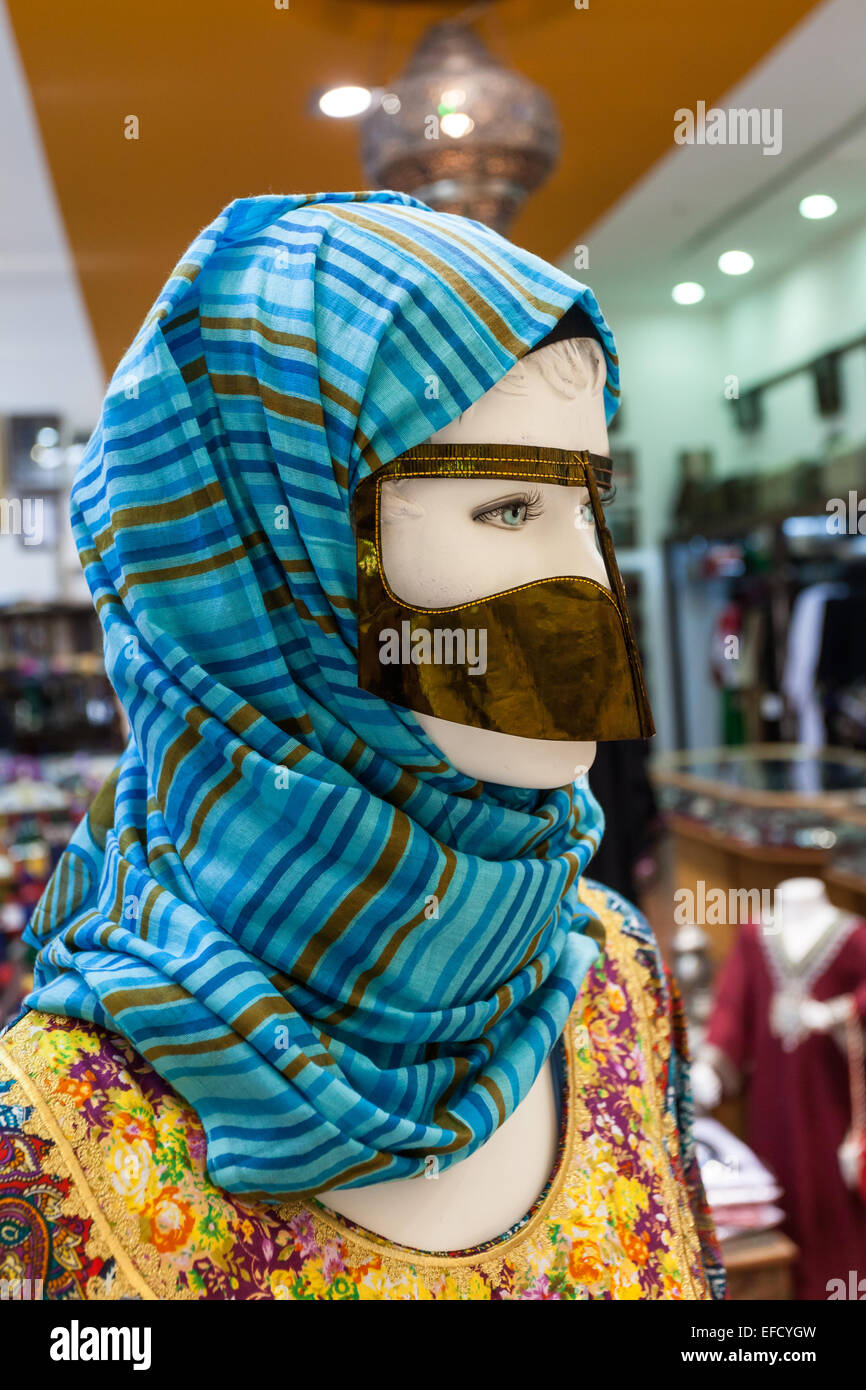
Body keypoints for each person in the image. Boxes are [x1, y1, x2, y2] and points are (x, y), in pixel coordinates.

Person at [0, 190, 722, 1300]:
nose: (591, 590)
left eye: (592, 507)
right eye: (505, 511)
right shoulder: (48, 1133)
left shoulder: (611, 970)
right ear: (278, 563)